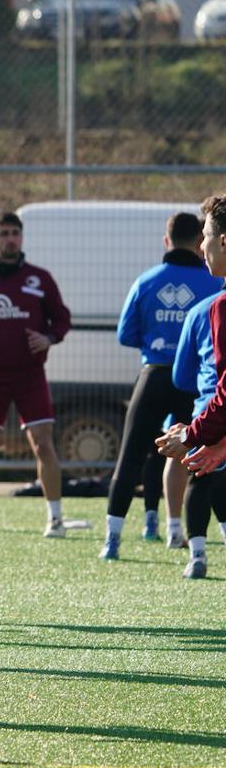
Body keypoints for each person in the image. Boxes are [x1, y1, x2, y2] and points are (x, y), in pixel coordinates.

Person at [100, 212, 218, 560]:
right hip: (193, 381)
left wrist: (159, 342)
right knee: (196, 457)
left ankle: (112, 541)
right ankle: (179, 532)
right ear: (200, 243)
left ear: (166, 241)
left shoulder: (146, 280)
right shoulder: (213, 283)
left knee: (130, 457)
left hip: (153, 375)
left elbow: (126, 334)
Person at [0, 211, 72, 539]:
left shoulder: (40, 279)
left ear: (21, 238)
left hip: (31, 374)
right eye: (3, 233)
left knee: (43, 445)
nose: (9, 239)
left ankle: (56, 519)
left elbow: (62, 319)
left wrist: (48, 337)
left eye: (14, 233)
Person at [156, 195, 226, 578]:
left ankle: (191, 546)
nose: (201, 246)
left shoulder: (218, 308)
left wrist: (195, 435)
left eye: (207, 235)